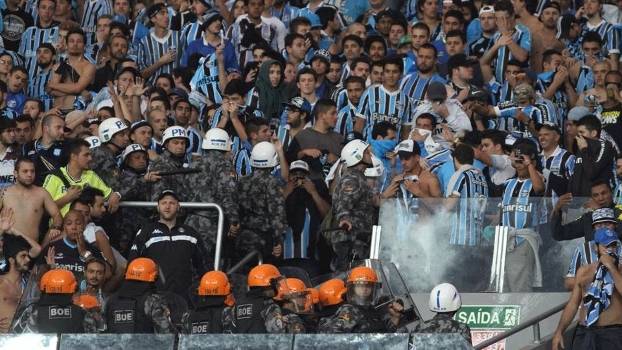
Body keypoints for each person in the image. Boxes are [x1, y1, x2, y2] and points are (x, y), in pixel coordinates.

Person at [129, 190, 208, 298]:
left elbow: (204, 265)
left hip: (185, 298)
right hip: (154, 298)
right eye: (163, 203)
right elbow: (133, 264)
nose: (167, 206)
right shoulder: (146, 231)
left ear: (178, 207)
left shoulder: (190, 233)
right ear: (158, 207)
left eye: (171, 203)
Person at [552, 227, 622, 350]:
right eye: (606, 246)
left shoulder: (620, 270)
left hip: (613, 333)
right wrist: (559, 331)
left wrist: (611, 267)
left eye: (613, 245)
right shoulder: (584, 271)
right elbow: (573, 304)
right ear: (596, 248)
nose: (610, 249)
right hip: (585, 332)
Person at [186, 128, 239, 266]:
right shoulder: (224, 165)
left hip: (190, 221)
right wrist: (234, 220)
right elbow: (228, 192)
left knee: (191, 263)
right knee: (210, 265)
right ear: (225, 146)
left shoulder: (194, 163)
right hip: (212, 224)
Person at [499, 140, 545, 292]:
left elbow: (539, 188)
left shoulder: (536, 180)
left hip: (523, 239)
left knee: (521, 283)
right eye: (516, 156)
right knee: (503, 283)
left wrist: (529, 164)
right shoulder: (508, 184)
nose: (519, 161)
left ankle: (525, 315)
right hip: (505, 239)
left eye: (522, 157)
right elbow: (502, 211)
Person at [331, 139, 379, 271]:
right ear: (357, 156)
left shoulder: (359, 177)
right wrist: (344, 218)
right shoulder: (352, 179)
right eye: (367, 152)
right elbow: (344, 203)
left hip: (359, 239)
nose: (371, 154)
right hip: (350, 241)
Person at [236, 142, 287, 263]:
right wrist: (278, 241)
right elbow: (277, 215)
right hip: (264, 240)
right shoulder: (272, 183)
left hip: (242, 237)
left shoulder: (242, 181)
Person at [43, 139, 121, 217]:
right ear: (73, 156)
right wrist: (67, 198)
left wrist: (116, 195)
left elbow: (109, 195)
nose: (90, 158)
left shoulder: (91, 175)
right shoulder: (54, 177)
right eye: (86, 155)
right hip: (60, 227)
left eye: (90, 155)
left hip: (85, 227)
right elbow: (43, 209)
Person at [12, 269, 101, 333]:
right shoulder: (82, 313)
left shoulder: (33, 311)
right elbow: (93, 342)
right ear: (73, 288)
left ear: (43, 288)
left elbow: (17, 338)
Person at [318, 266, 403, 332]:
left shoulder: (373, 310)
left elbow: (387, 338)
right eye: (360, 285)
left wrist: (395, 319)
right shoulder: (349, 310)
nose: (364, 289)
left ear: (373, 288)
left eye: (368, 285)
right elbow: (335, 336)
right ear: (352, 288)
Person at [104, 257, 176, 333]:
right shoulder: (152, 300)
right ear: (153, 278)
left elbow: (103, 330)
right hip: (145, 344)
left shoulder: (111, 300)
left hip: (116, 344)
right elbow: (167, 333)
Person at [1, 157, 62, 244]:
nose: (29, 174)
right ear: (15, 173)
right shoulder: (4, 193)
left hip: (33, 248)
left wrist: (55, 228)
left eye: (32, 171)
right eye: (25, 171)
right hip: (9, 248)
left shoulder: (42, 193)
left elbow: (57, 215)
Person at [355, 56, 413, 141]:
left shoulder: (407, 100)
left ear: (401, 74)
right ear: (383, 73)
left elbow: (406, 132)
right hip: (369, 149)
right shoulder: (369, 93)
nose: (391, 75)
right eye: (387, 71)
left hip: (393, 152)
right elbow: (359, 124)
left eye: (395, 72)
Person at [0, 219, 42, 333]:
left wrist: (12, 230)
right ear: (11, 260)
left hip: (25, 339)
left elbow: (37, 249)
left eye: (28, 256)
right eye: (23, 256)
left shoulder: (30, 283)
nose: (28, 259)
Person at [565, 208, 620, 291]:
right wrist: (593, 277)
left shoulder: (620, 247)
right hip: (589, 301)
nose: (604, 229)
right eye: (599, 226)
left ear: (615, 226)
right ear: (594, 228)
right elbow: (569, 283)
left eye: (607, 224)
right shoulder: (583, 249)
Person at [289, 98, 343, 180]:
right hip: (308, 187)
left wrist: (337, 160)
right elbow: (289, 160)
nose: (336, 117)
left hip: (334, 188)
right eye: (332, 113)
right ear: (321, 115)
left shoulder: (339, 138)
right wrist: (303, 152)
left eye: (336, 113)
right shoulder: (302, 136)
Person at [552, 181, 622, 242]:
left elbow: (613, 237)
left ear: (611, 193)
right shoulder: (588, 218)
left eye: (604, 193)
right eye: (596, 195)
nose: (601, 198)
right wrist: (557, 210)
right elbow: (559, 234)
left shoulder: (620, 211)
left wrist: (599, 211)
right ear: (592, 198)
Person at [48, 28, 96, 110]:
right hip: (56, 111)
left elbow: (77, 88)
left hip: (78, 112)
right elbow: (51, 91)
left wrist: (53, 85)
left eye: (79, 41)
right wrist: (80, 93)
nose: (75, 44)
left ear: (84, 46)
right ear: (66, 45)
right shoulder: (57, 66)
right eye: (71, 41)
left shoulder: (89, 66)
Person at [569, 115, 616, 197]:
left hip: (598, 201)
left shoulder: (605, 146)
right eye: (578, 133)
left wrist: (584, 150)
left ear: (594, 133)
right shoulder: (579, 148)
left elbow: (591, 172)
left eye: (582, 132)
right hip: (578, 204)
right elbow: (575, 177)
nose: (578, 137)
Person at [232, 263, 287, 333]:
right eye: (276, 283)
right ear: (268, 284)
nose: (278, 286)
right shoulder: (269, 306)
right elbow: (278, 335)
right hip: (263, 343)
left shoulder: (238, 304)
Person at [138, 4, 182, 84]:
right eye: (162, 13)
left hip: (175, 90)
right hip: (153, 89)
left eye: (167, 13)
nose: (167, 16)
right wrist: (160, 62)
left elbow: (185, 67)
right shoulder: (144, 42)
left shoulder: (180, 36)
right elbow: (142, 74)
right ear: (153, 18)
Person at [22, 114, 66, 186]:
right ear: (46, 128)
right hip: (32, 191)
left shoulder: (66, 147)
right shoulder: (28, 146)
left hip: (57, 192)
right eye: (58, 127)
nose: (62, 131)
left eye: (63, 128)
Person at [90, 117, 130, 190]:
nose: (127, 138)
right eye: (122, 135)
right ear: (108, 137)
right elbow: (116, 189)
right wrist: (142, 180)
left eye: (126, 134)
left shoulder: (102, 152)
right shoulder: (104, 156)